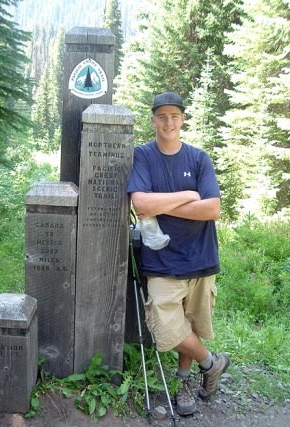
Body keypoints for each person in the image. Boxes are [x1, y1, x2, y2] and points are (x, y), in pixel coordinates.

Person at [127, 91, 230, 416]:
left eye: (175, 115)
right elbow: (141, 205)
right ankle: (211, 363)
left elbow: (212, 208)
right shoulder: (143, 156)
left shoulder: (199, 158)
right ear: (153, 120)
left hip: (201, 259)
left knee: (191, 325)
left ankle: (185, 382)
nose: (169, 121)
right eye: (162, 116)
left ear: (183, 119)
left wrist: (165, 202)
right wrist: (187, 195)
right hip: (161, 262)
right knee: (166, 328)